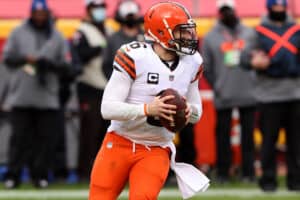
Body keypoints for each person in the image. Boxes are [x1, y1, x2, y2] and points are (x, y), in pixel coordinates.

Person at [89, 2, 209, 200]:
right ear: (162, 32)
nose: (189, 37)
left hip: (157, 147)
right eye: (182, 32)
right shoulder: (134, 56)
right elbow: (107, 108)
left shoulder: (193, 62)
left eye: (189, 31)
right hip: (120, 141)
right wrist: (147, 109)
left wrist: (188, 111)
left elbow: (197, 112)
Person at [2, 0, 71, 188]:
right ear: (32, 13)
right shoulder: (18, 32)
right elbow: (7, 58)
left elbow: (66, 65)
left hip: (47, 96)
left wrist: (47, 63)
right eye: (37, 13)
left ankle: (40, 175)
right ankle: (12, 176)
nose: (40, 16)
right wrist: (26, 59)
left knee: (44, 140)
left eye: (43, 13)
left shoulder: (56, 36)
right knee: (19, 139)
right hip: (21, 95)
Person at [242, 0, 300, 192]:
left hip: (295, 93)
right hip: (268, 95)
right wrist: (253, 61)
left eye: (282, 7)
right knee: (268, 142)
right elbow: (242, 58)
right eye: (276, 7)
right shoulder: (257, 32)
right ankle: (268, 181)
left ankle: (296, 181)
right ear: (269, 8)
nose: (279, 10)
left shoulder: (296, 30)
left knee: (296, 142)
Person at [202, 0, 257, 183]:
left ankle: (249, 172)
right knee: (222, 136)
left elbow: (258, 59)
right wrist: (217, 85)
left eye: (229, 10)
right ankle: (223, 172)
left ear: (235, 10)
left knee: (248, 136)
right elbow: (206, 67)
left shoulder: (250, 33)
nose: (228, 14)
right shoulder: (210, 37)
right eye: (224, 11)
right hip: (223, 93)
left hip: (249, 92)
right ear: (219, 13)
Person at [71, 0, 110, 180]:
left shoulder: (108, 29)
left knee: (107, 133)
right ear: (88, 10)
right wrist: (100, 47)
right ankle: (85, 172)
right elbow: (80, 56)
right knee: (90, 132)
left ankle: (105, 171)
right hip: (90, 87)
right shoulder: (82, 31)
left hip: (108, 88)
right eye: (96, 8)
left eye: (102, 7)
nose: (100, 11)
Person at [102, 0, 144, 80]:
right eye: (128, 16)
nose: (131, 19)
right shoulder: (112, 39)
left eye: (133, 15)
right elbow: (106, 65)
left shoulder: (147, 37)